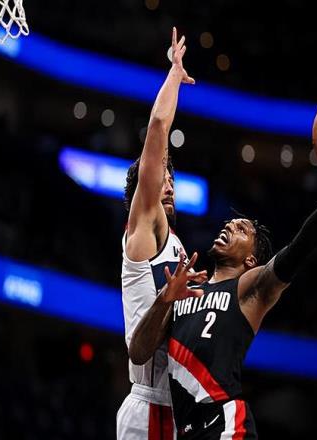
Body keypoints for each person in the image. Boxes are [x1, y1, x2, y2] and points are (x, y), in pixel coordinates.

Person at [129, 117, 317, 438]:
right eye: (231, 224)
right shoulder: (185, 289)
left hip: (226, 423)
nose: (229, 226)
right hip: (187, 432)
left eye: (241, 229)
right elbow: (138, 352)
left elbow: (299, 249)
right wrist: (164, 299)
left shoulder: (249, 289)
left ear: (250, 260)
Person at [117, 27, 206, 440]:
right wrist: (174, 74)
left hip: (178, 406)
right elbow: (157, 126)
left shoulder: (175, 243)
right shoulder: (144, 224)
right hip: (149, 406)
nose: (168, 184)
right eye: (160, 177)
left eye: (172, 178)